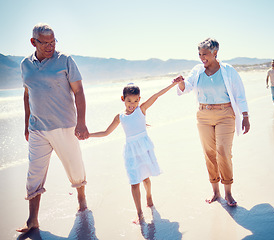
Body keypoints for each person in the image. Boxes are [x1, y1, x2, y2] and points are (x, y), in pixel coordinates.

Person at [17, 23, 89, 233]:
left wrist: (81, 122)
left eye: (53, 41)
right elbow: (27, 94)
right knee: (34, 173)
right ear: (33, 42)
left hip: (64, 125)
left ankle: (82, 199)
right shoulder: (25, 65)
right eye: (45, 42)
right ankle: (32, 220)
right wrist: (27, 124)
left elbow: (79, 91)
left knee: (75, 167)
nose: (50, 46)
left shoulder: (65, 60)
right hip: (37, 127)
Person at [89, 78, 183, 223]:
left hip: (144, 148)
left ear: (139, 99)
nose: (132, 104)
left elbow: (157, 95)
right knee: (134, 182)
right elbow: (106, 132)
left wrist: (174, 84)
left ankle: (149, 196)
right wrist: (88, 135)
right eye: (129, 101)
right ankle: (139, 214)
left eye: (135, 101)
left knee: (145, 177)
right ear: (123, 99)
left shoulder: (142, 110)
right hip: (130, 152)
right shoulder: (120, 117)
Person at [177, 38, 250, 207]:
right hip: (203, 115)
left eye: (205, 54)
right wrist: (181, 83)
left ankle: (228, 193)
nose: (202, 57)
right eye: (200, 54)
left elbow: (240, 94)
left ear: (215, 53)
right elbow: (186, 87)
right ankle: (216, 192)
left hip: (225, 114)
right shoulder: (197, 71)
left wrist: (245, 116)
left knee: (223, 152)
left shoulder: (228, 70)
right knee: (209, 153)